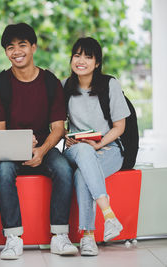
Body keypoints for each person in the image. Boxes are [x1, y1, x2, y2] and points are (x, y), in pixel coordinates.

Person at [0, 23, 77, 260]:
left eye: (22, 45)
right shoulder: (0, 84)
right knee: (4, 171)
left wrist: (41, 150)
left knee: (63, 168)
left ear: (34, 47)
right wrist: (19, 145)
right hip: (10, 148)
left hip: (44, 146)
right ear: (5, 52)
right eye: (10, 47)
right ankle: (13, 238)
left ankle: (59, 236)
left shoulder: (50, 82)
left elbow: (58, 128)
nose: (16, 51)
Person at [62, 37, 130, 256]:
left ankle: (88, 237)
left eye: (88, 57)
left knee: (83, 174)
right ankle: (108, 214)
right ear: (71, 58)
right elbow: (54, 124)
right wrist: (67, 135)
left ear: (97, 63)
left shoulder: (110, 84)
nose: (81, 61)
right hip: (76, 148)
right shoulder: (65, 86)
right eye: (77, 55)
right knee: (83, 151)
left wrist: (99, 143)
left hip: (108, 147)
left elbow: (120, 126)